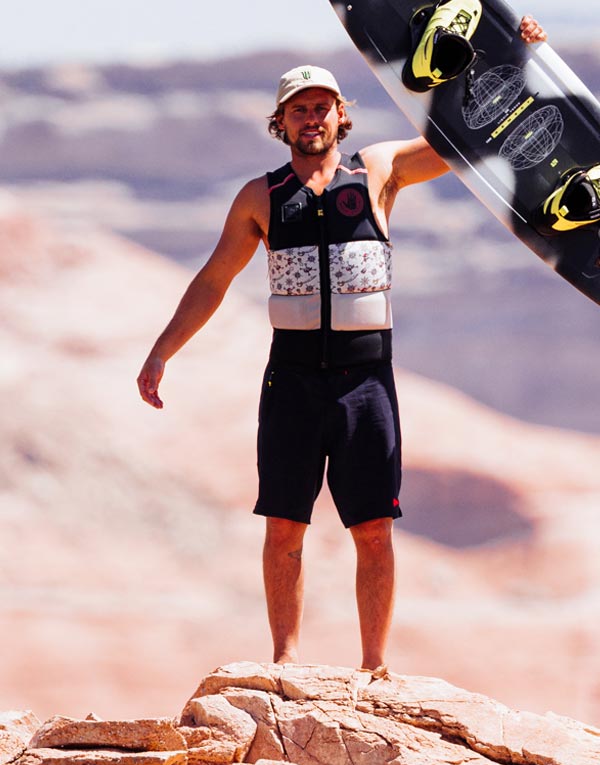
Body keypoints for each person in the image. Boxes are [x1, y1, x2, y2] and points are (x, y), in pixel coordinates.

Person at [137, 12, 547, 670]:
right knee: (284, 529)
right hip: (292, 381)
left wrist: (518, 64)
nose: (312, 118)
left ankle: (375, 665)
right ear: (281, 121)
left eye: (322, 106)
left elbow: (461, 144)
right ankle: (285, 660)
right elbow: (213, 280)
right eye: (299, 109)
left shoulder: (378, 171)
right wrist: (162, 350)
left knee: (375, 531)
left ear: (340, 114)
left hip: (366, 383)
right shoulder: (259, 197)